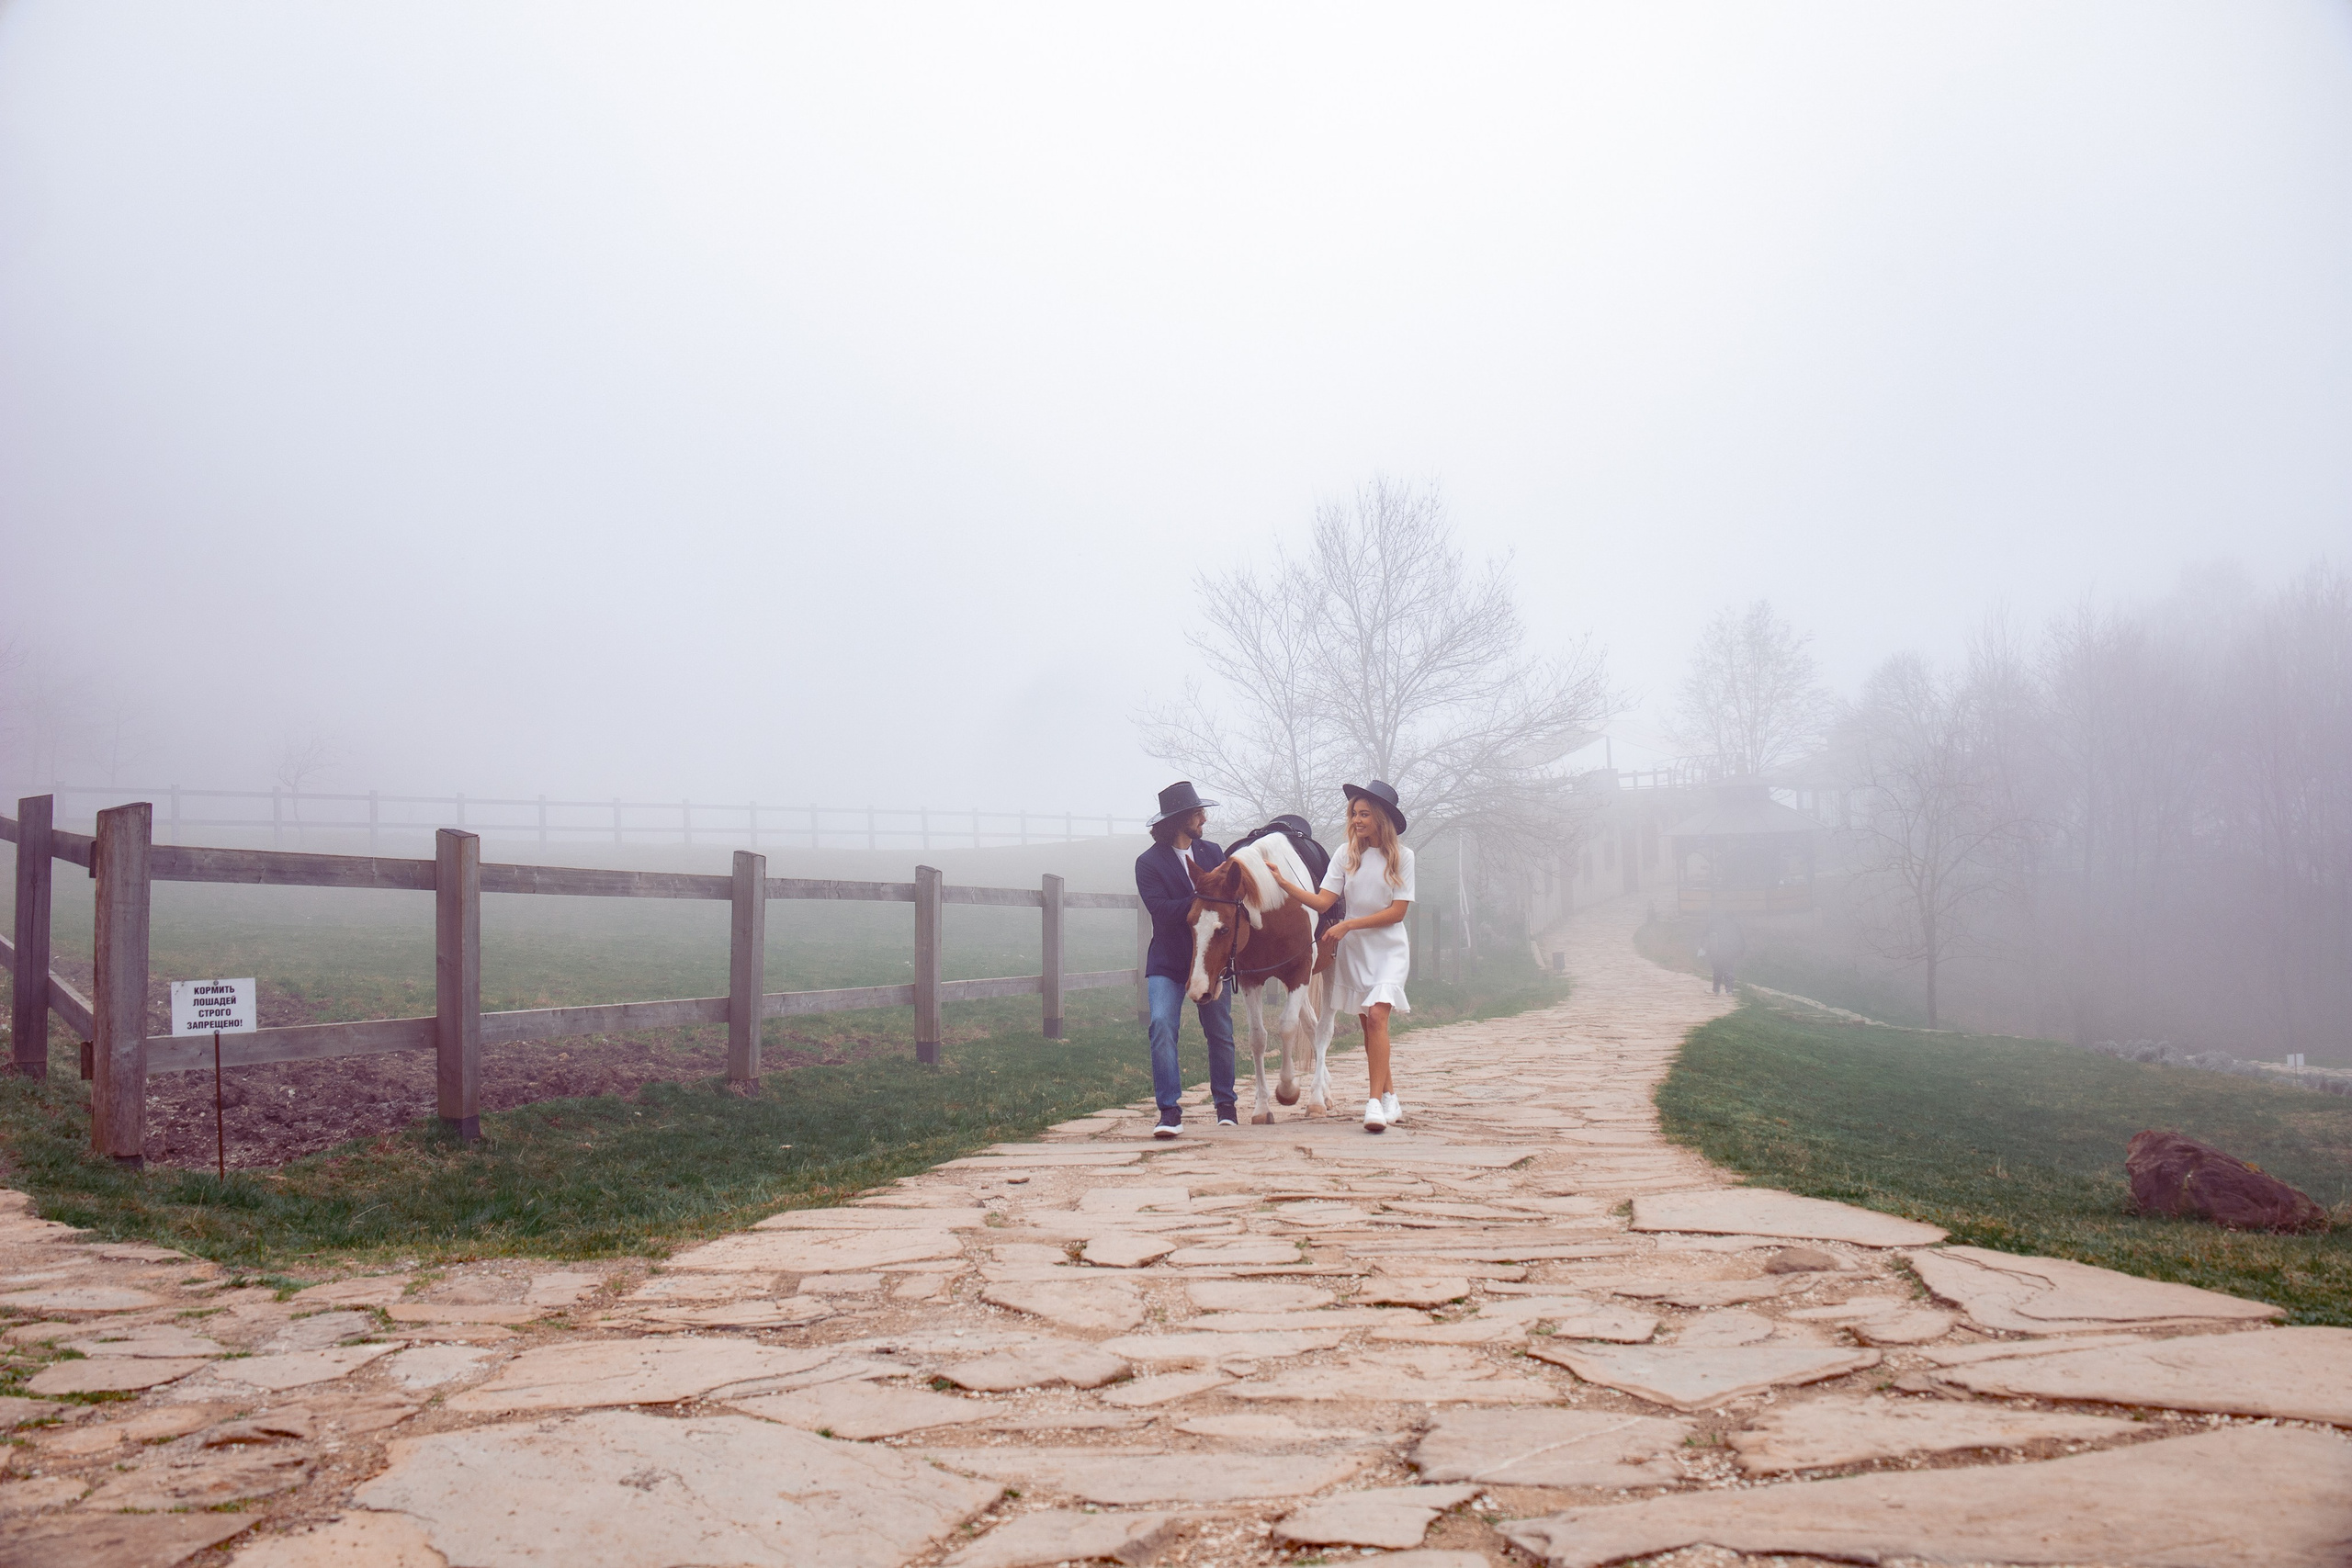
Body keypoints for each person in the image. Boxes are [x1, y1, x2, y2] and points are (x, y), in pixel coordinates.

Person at [1267, 780, 1414, 1134]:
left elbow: (1397, 913)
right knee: (1371, 1026)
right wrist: (1286, 885)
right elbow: (1322, 901)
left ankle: (1374, 1103)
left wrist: (1348, 926)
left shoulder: (1403, 857)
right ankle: (1391, 1095)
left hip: (1389, 948)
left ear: (1381, 818)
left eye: (1364, 814)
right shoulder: (1344, 855)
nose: (1357, 820)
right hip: (1356, 953)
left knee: (1378, 1016)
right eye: (1354, 813)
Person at [1134, 780, 1239, 1137]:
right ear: (1178, 820)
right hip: (1168, 960)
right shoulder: (1148, 863)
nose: (1204, 819)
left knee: (1220, 1031)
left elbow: (1228, 906)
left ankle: (1226, 1105)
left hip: (1209, 961)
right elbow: (1160, 911)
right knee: (1162, 1026)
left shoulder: (1214, 853)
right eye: (1197, 813)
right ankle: (1169, 1112)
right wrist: (1203, 902)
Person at [1702, 908, 1746, 995]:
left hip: (1716, 952)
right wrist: (1741, 951)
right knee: (1729, 970)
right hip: (1730, 952)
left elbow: (1706, 935)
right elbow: (1741, 940)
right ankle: (1729, 990)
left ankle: (1716, 990)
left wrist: (1705, 949)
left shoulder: (1715, 924)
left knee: (1717, 970)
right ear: (1733, 916)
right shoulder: (1736, 925)